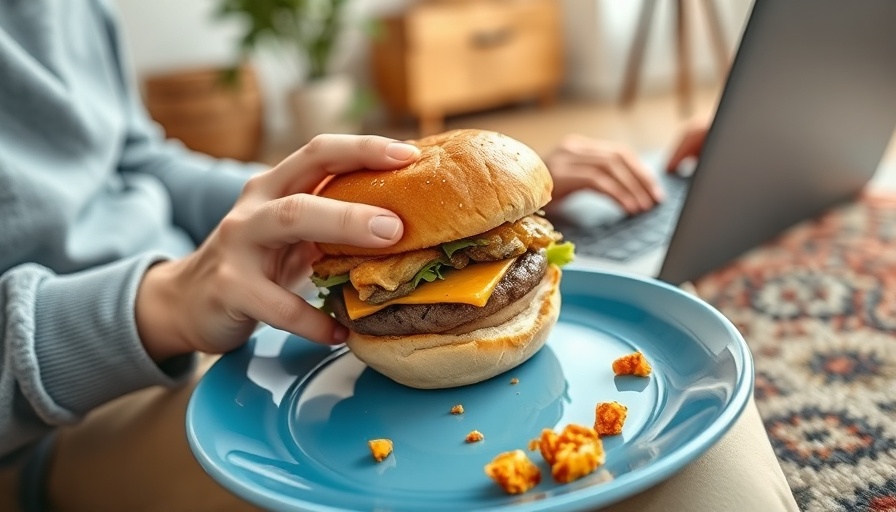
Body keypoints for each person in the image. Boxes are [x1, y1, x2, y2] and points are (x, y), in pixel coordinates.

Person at [0, 2, 796, 511]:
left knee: (696, 414)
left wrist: (424, 204)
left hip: (224, 315)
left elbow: (135, 161)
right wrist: (157, 303)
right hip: (67, 416)